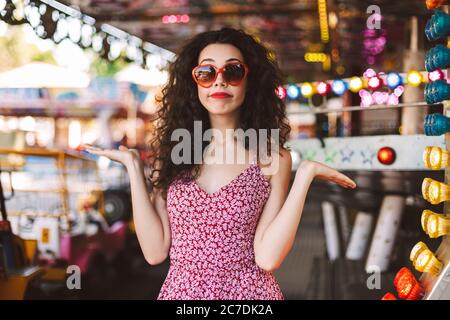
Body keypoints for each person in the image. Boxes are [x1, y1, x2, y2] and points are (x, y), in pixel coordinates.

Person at [83, 28, 356, 300]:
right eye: (206, 73)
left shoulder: (272, 158)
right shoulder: (171, 157)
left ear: (251, 81)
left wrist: (305, 176)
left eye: (233, 71)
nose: (219, 81)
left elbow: (268, 258)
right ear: (194, 83)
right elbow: (155, 252)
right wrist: (132, 167)